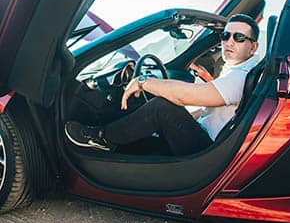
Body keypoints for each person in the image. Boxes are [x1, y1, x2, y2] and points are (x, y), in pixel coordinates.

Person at [65, 14, 260, 155]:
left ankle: (101, 137)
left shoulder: (241, 76)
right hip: (206, 140)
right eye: (226, 36)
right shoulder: (236, 69)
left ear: (253, 47)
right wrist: (179, 120)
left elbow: (186, 95)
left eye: (239, 37)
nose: (229, 42)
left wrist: (143, 81)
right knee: (144, 138)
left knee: (161, 106)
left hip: (206, 150)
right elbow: (209, 110)